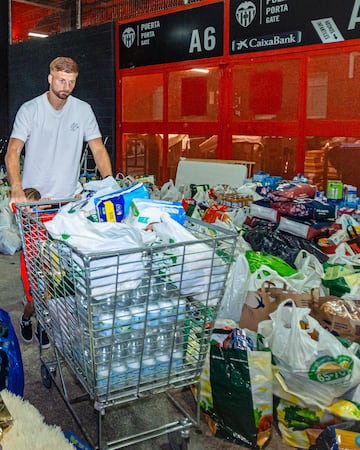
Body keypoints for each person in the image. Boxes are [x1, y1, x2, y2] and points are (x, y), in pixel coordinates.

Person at [5, 56, 113, 346]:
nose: (65, 87)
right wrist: (17, 188)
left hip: (68, 205)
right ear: (50, 78)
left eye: (71, 82)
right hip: (35, 206)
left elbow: (98, 148)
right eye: (60, 80)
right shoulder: (31, 110)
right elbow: (13, 151)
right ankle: (30, 316)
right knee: (38, 271)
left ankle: (50, 317)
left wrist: (109, 182)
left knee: (65, 270)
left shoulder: (83, 110)